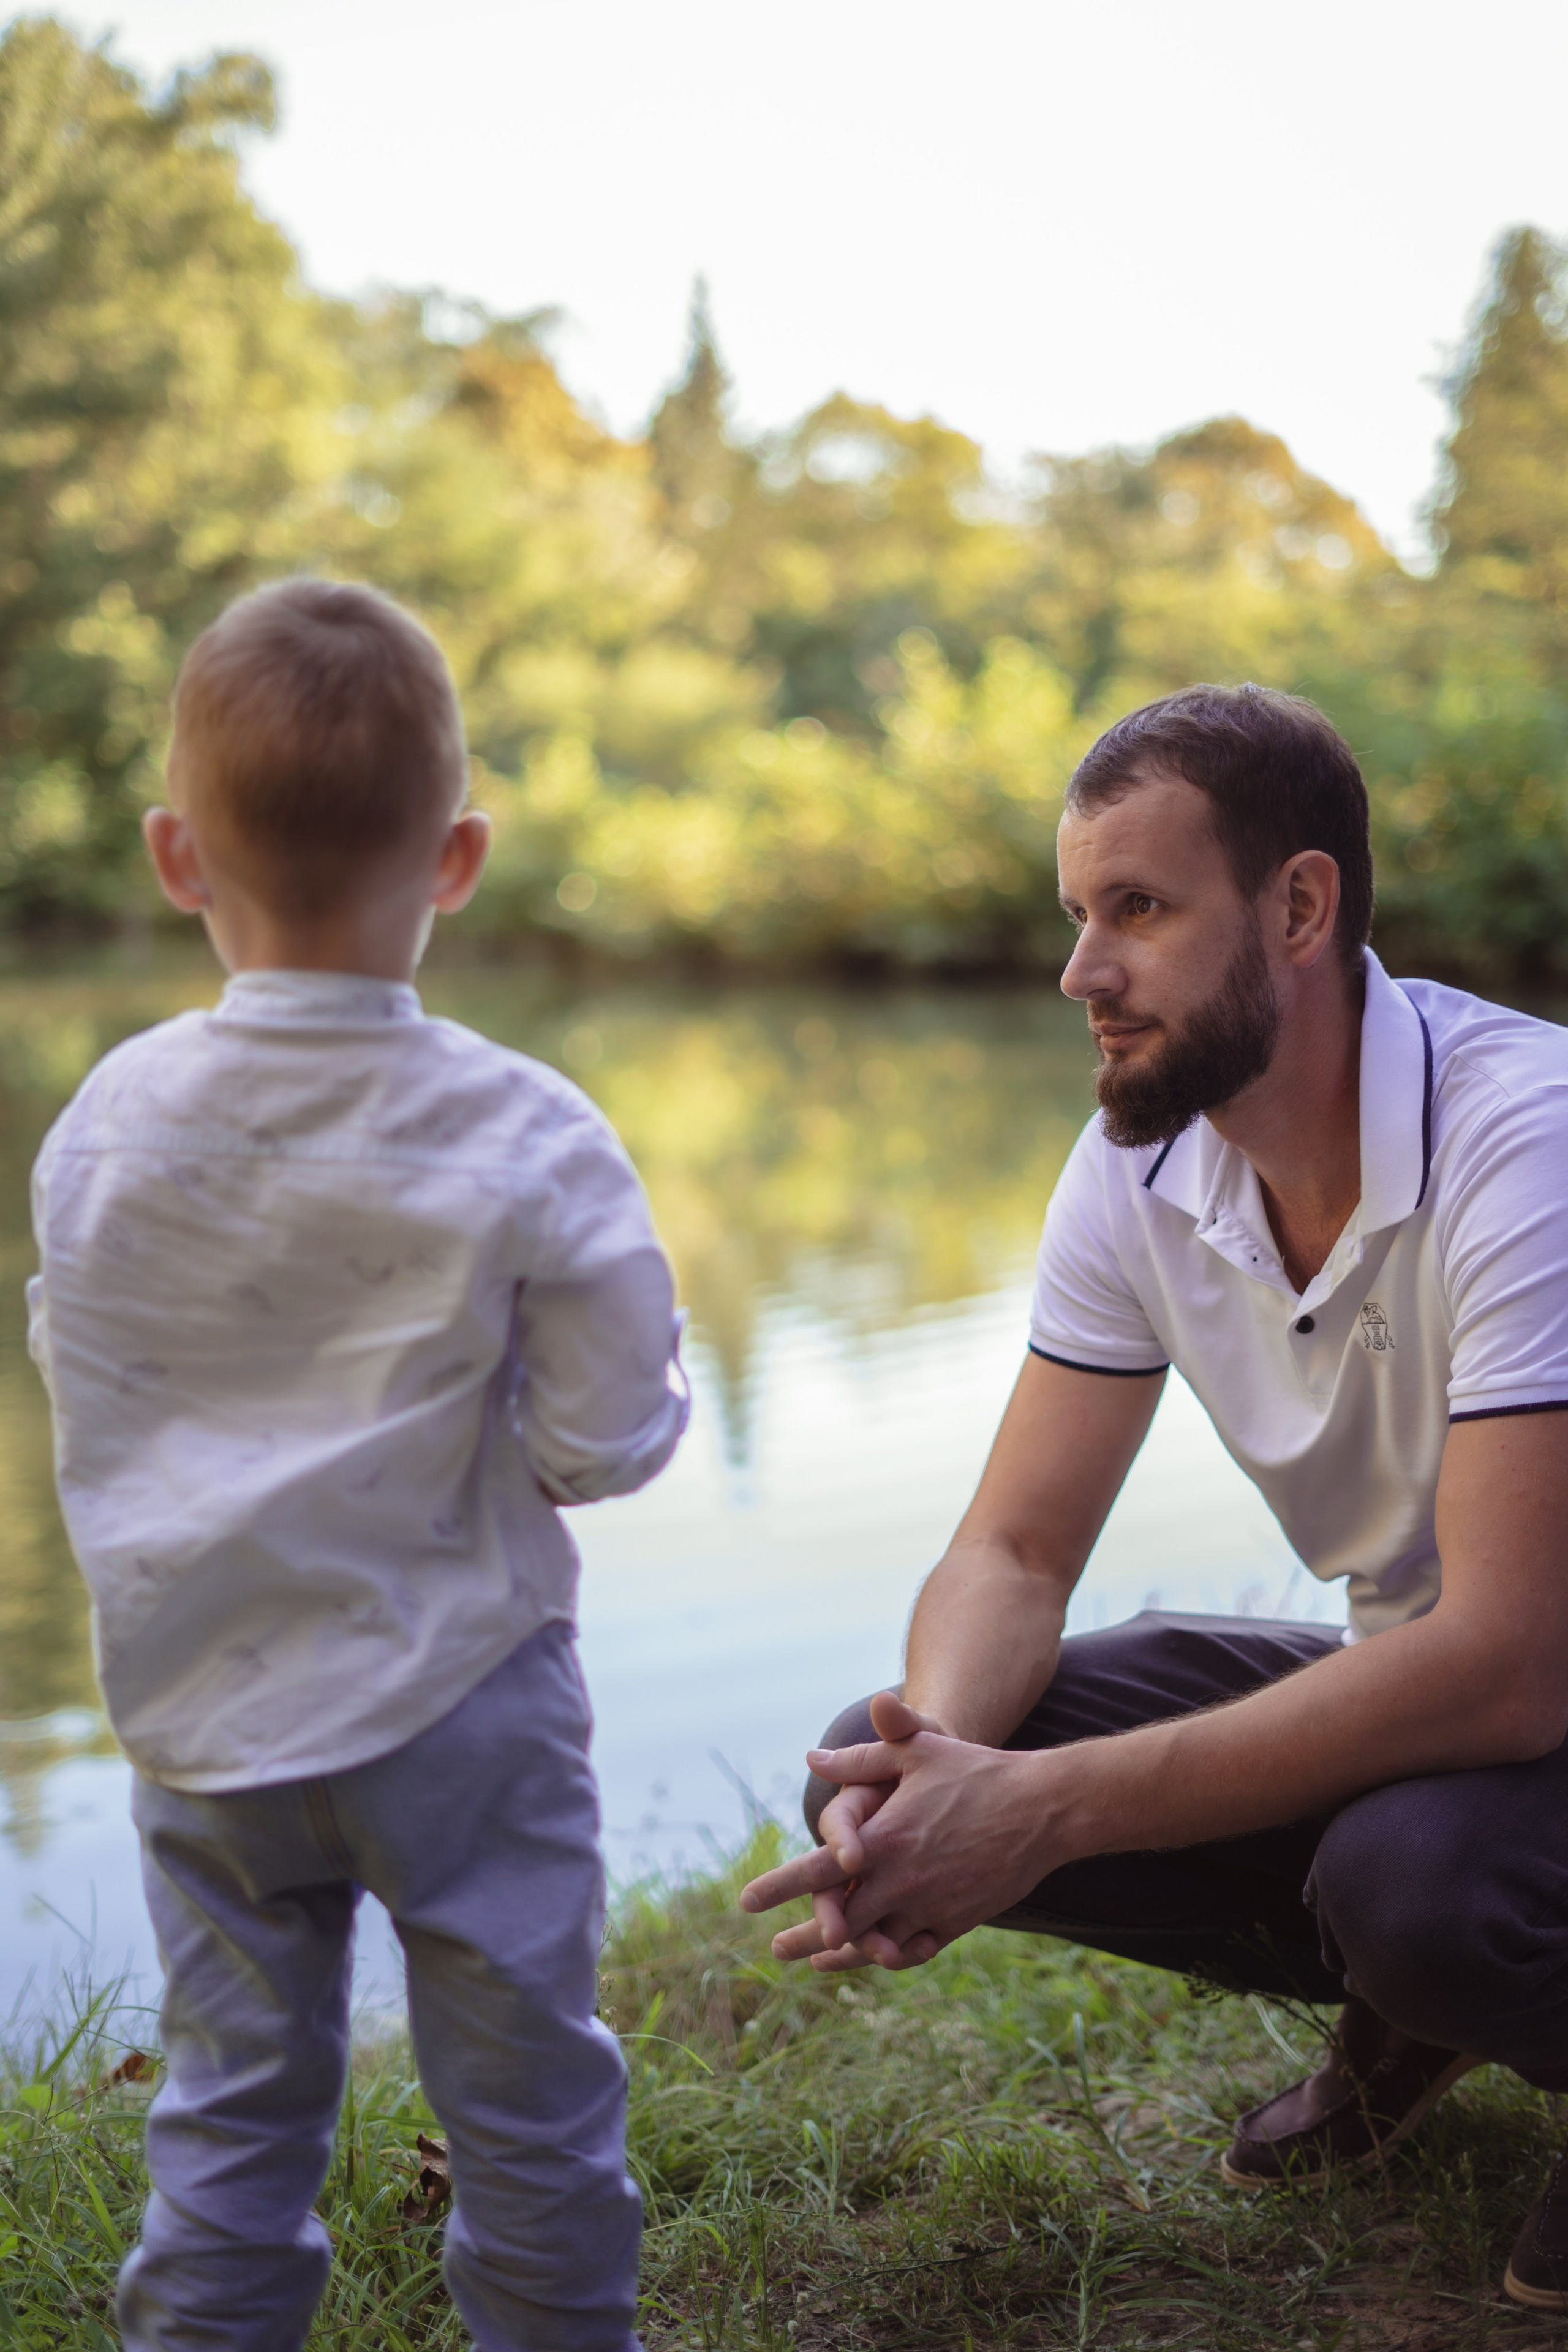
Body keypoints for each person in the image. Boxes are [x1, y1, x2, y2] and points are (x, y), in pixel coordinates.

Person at [741, 682, 1568, 2314]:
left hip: (1522, 1685)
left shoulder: (1528, 1141)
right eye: (1075, 913)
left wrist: (1041, 1814)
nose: (1080, 973)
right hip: (1462, 1712)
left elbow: (1511, 1661)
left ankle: (1446, 1980)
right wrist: (943, 1778)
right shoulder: (1139, 1162)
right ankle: (1420, 2011)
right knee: (898, 1726)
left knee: (1420, 1884)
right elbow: (1015, 1544)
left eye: (1137, 909)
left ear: (1301, 905)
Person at [27, 579, 688, 2352]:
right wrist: (540, 1456)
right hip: (463, 1695)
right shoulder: (528, 1127)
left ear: (178, 857)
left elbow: (85, 1376)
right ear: (458, 855)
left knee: (232, 2120)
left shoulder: (106, 1121)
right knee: (530, 2104)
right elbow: (615, 1430)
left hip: (201, 1706)